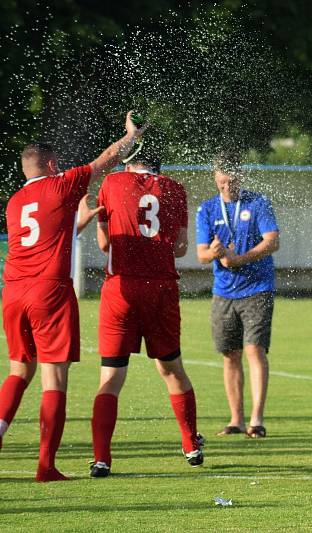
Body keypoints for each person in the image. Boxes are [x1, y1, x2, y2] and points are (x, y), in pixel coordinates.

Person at [0, 112, 143, 481]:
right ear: (50, 164)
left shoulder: (15, 202)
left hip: (13, 291)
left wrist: (77, 223)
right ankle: (46, 466)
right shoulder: (61, 184)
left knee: (19, 370)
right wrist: (130, 136)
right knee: (54, 379)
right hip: (49, 291)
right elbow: (105, 160)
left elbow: (42, 237)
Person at [89, 134, 203, 478]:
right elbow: (181, 247)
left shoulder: (111, 182)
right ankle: (190, 444)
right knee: (172, 370)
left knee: (111, 377)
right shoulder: (176, 189)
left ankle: (101, 459)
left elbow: (105, 241)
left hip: (120, 289)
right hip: (161, 288)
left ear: (130, 160)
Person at [196, 154, 279, 438]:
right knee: (230, 354)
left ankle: (256, 420)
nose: (227, 188)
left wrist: (240, 258)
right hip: (223, 292)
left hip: (257, 288)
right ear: (215, 180)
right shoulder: (207, 209)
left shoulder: (258, 203)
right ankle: (236, 420)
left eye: (231, 182)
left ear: (240, 177)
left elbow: (272, 241)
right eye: (221, 183)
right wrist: (216, 253)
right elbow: (201, 255)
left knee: (254, 349)